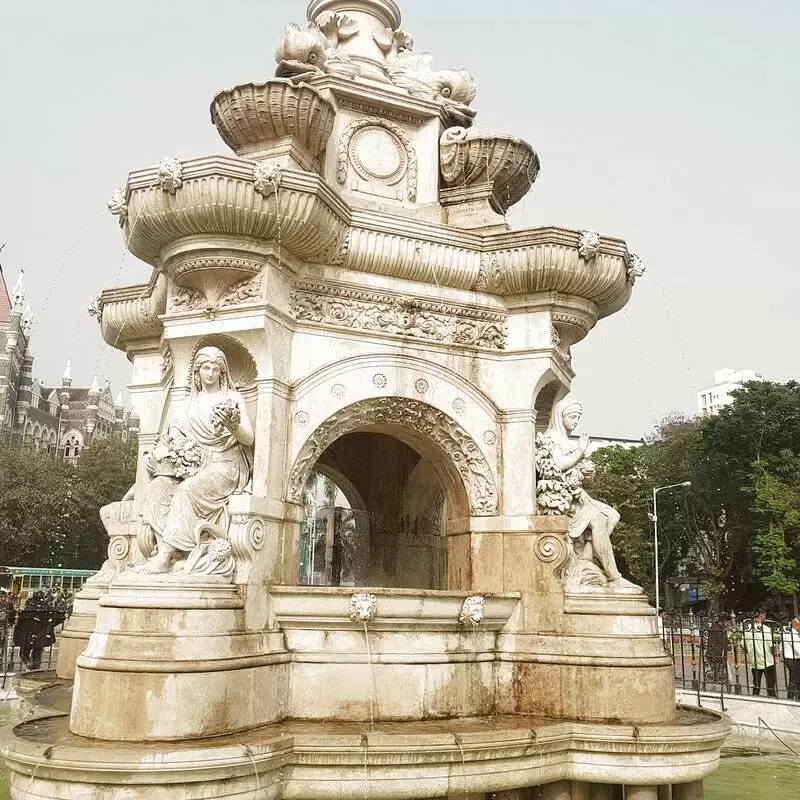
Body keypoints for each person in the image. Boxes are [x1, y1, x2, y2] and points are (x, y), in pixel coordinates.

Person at [136, 346, 254, 575]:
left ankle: (164, 558)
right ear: (197, 372)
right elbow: (173, 441)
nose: (210, 373)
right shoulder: (186, 404)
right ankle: (173, 552)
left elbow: (248, 438)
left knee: (187, 490)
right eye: (205, 368)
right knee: (159, 486)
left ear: (222, 372)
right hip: (194, 464)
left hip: (225, 464)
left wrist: (233, 426)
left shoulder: (231, 397)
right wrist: (158, 458)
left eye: (215, 368)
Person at [537, 400, 638, 589]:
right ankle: (614, 577)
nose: (576, 421)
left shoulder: (566, 439)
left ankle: (587, 556)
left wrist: (588, 470)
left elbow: (575, 471)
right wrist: (580, 450)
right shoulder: (552, 437)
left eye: (578, 417)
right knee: (598, 520)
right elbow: (559, 464)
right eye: (572, 416)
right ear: (560, 417)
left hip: (577, 494)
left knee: (613, 515)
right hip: (564, 499)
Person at [743, 608, 777, 697]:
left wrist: (750, 652)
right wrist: (775, 656)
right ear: (761, 615)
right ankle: (772, 698)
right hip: (768, 660)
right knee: (771, 686)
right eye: (765, 615)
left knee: (756, 685)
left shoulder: (747, 629)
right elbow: (771, 646)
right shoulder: (766, 629)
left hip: (755, 660)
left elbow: (743, 645)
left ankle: (755, 698)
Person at [782, 617, 800, 701]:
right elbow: (798, 649)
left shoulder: (787, 633)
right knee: (794, 678)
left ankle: (796, 695)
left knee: (796, 678)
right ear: (796, 625)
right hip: (792, 659)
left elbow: (781, 647)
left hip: (789, 658)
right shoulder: (792, 635)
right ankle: (790, 697)